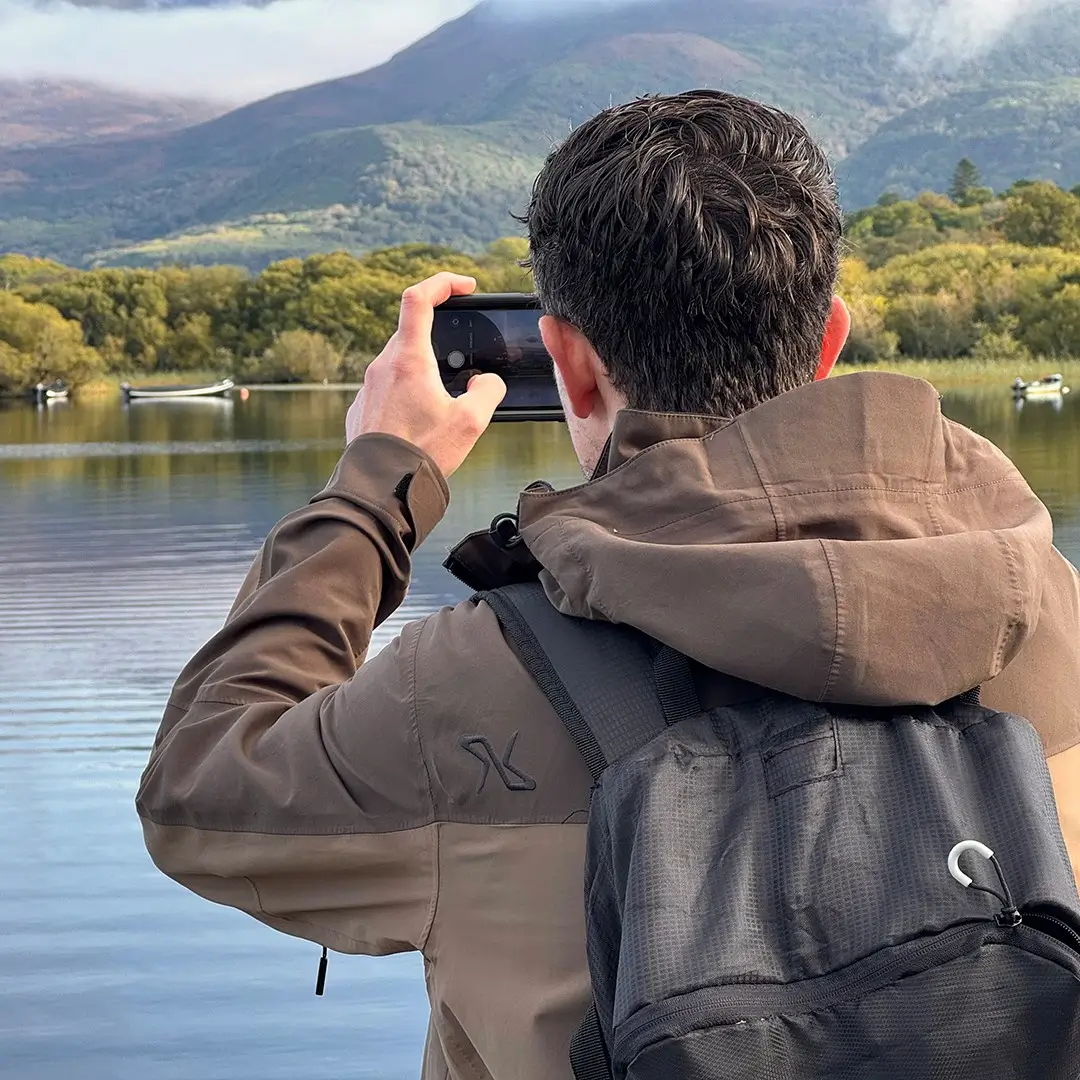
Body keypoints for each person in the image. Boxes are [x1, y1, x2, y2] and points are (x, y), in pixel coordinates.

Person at [136, 90, 1080, 1080]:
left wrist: (379, 479)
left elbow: (198, 797)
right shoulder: (1041, 605)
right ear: (830, 337)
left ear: (571, 370)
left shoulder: (462, 684)